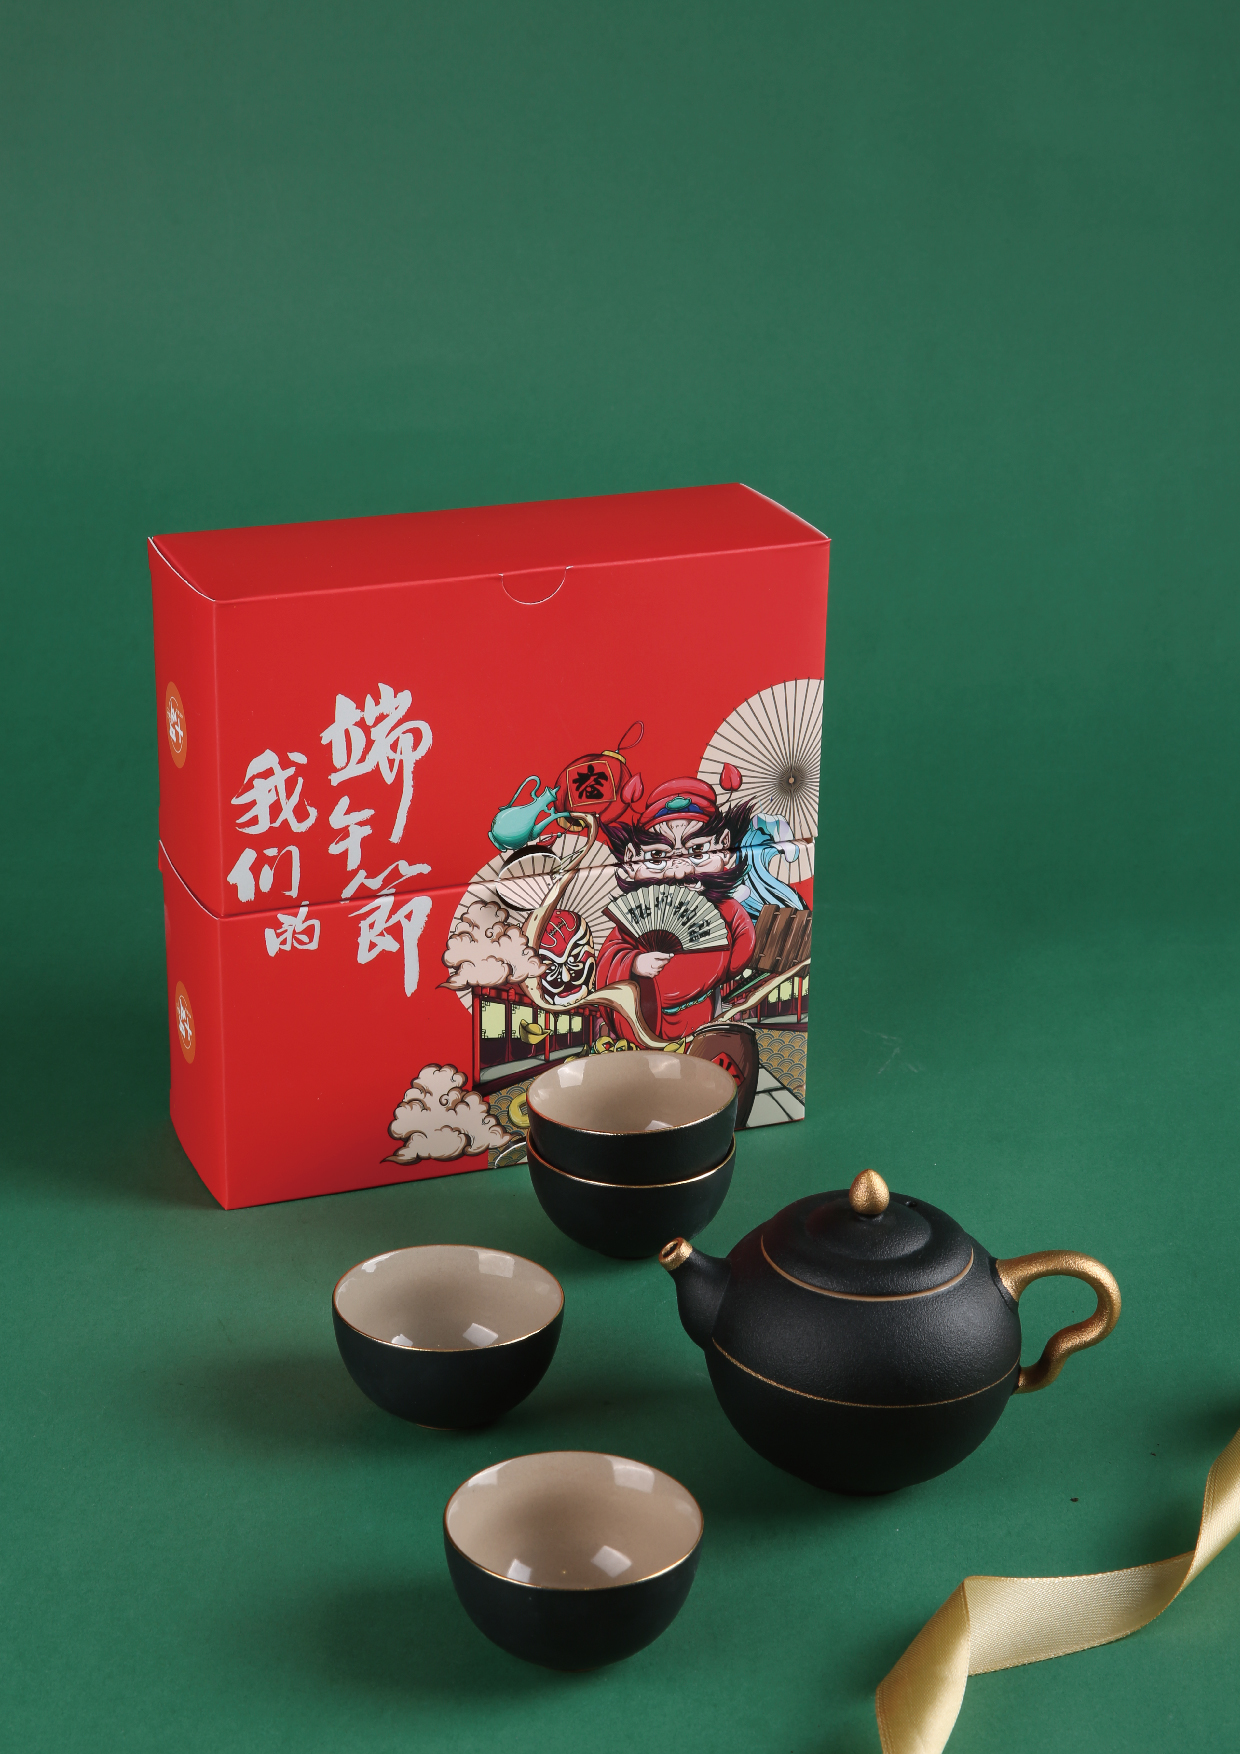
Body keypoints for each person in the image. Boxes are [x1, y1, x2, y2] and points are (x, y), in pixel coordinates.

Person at [597, 777, 755, 1042]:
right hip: (647, 1019)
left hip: (704, 1012)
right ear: (632, 859)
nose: (679, 871)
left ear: (725, 847)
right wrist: (635, 963)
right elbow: (609, 957)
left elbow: (741, 949)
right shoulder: (635, 917)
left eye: (698, 851)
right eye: (658, 856)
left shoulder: (725, 909)